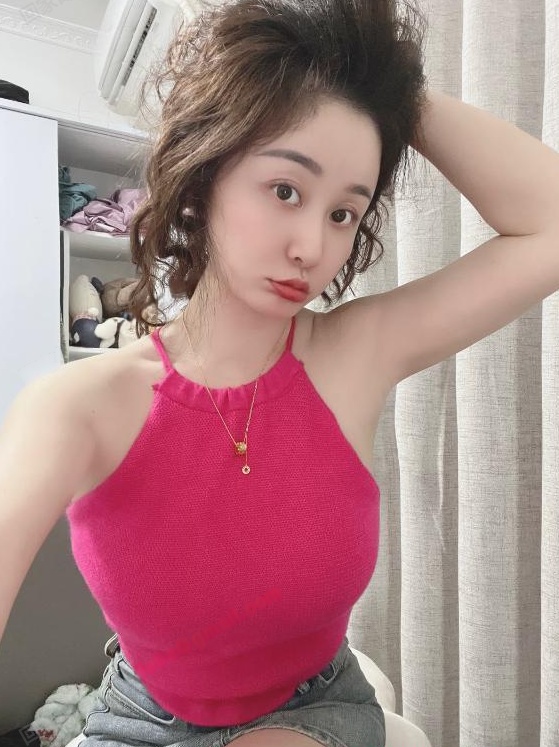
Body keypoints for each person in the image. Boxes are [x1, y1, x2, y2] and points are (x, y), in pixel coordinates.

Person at [1, 0, 559, 744]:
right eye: (286, 190)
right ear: (205, 176)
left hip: (312, 705)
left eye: (343, 213)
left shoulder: (354, 353)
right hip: (139, 716)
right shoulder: (78, 405)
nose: (312, 247)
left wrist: (389, 91)